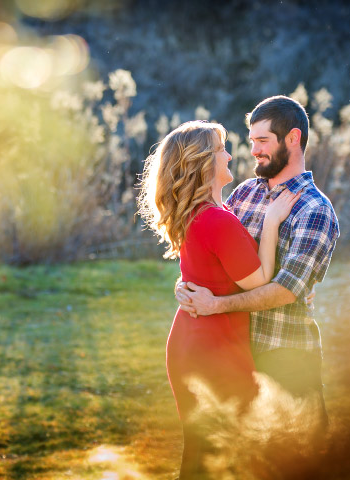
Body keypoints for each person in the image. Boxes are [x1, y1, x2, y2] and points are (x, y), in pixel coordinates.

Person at [137, 120, 300, 479]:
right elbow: (261, 281)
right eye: (221, 149)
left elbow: (202, 272)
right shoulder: (218, 221)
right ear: (204, 163)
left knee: (202, 449)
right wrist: (272, 223)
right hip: (214, 349)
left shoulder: (201, 214)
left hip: (190, 342)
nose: (230, 154)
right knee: (224, 450)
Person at [176, 95, 340, 434]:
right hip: (236, 354)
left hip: (285, 355)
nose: (253, 150)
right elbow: (217, 255)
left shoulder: (314, 209)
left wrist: (216, 306)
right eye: (252, 141)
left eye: (262, 140)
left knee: (299, 461)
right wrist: (186, 283)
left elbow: (285, 291)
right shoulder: (244, 193)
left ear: (293, 139)